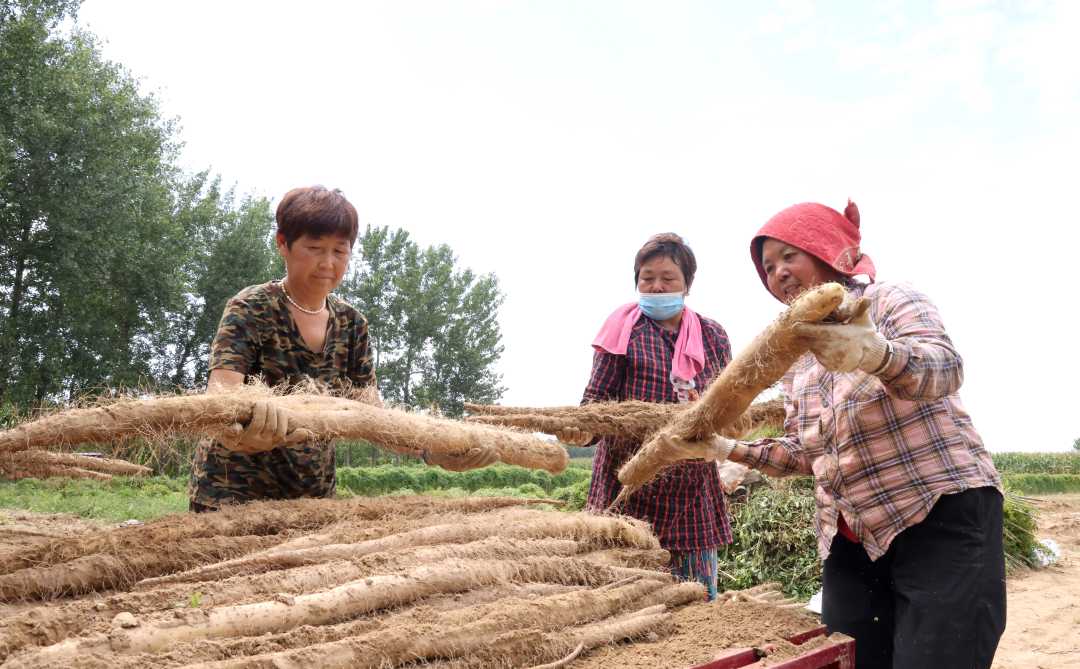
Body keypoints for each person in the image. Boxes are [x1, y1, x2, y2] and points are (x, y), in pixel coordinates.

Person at [667, 200, 1005, 667]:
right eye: (768, 267)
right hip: (850, 540)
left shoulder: (887, 300)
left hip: (936, 516)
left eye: (790, 256)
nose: (778, 273)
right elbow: (805, 453)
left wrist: (878, 355)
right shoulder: (798, 361)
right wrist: (727, 449)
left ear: (824, 251)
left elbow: (945, 368)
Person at [188, 185, 495, 512]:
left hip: (312, 502)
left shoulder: (352, 324)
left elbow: (373, 417)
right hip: (231, 500)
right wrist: (239, 436)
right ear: (283, 244)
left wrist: (432, 450)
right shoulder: (251, 308)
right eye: (315, 247)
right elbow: (220, 399)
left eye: (339, 251)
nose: (327, 263)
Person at [566, 233, 734, 600]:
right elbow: (595, 403)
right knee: (624, 597)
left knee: (694, 599)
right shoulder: (623, 332)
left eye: (668, 278)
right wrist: (576, 430)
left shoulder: (713, 336)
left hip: (691, 492)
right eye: (647, 277)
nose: (657, 286)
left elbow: (727, 403)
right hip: (627, 484)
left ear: (687, 284)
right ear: (637, 281)